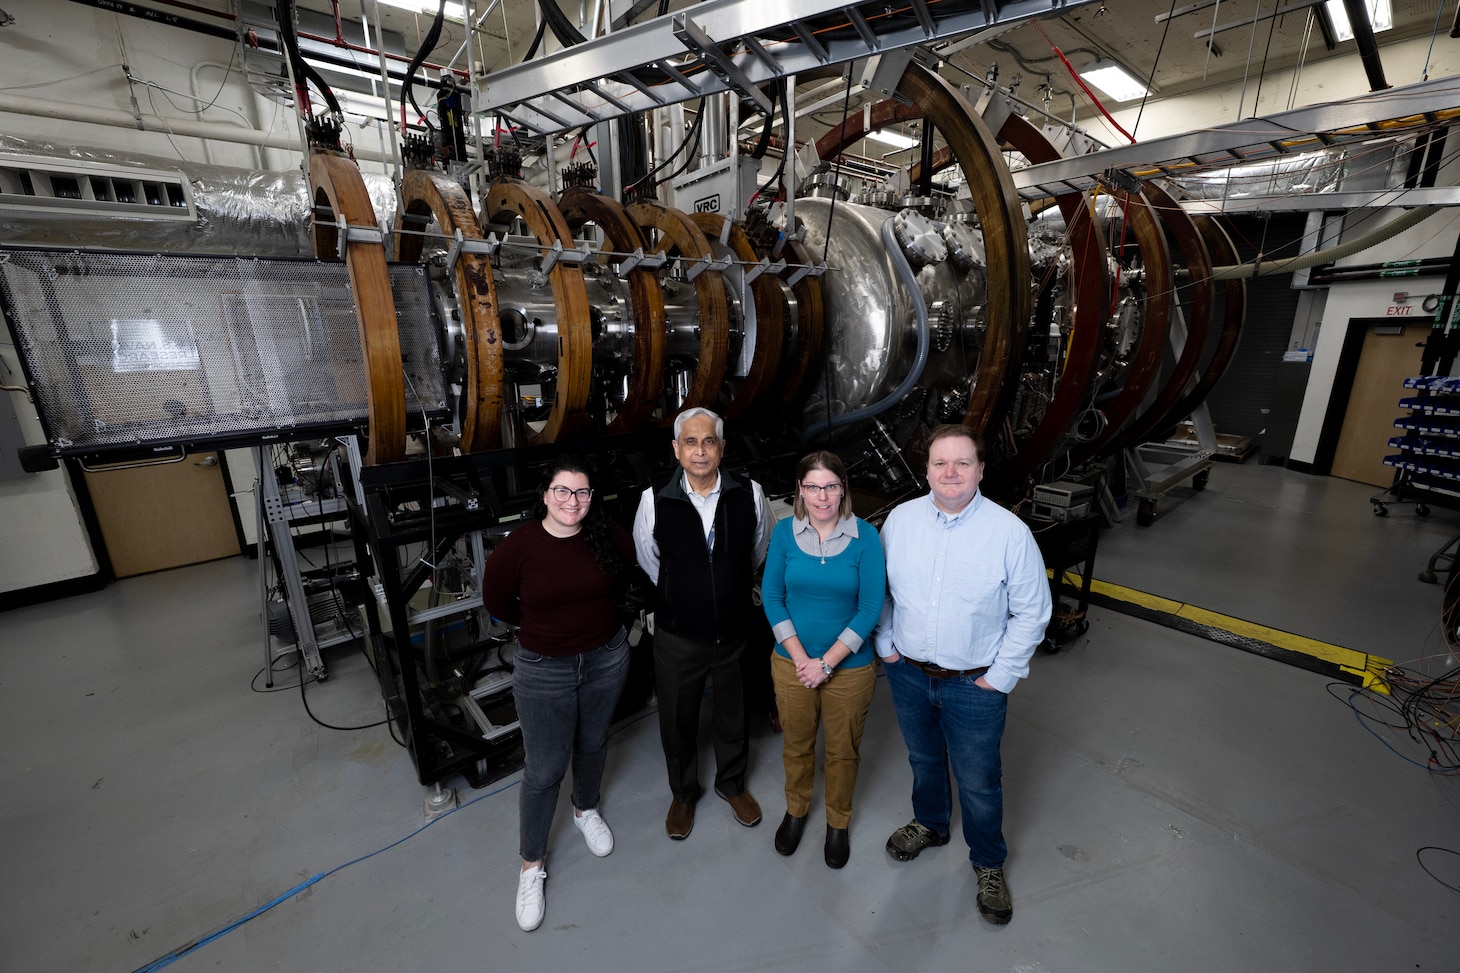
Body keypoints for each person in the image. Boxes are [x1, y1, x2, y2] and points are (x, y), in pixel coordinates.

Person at [874, 425, 1051, 925]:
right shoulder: (900, 522)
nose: (950, 473)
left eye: (962, 463)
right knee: (924, 759)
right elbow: (883, 591)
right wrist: (886, 645)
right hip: (908, 673)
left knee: (978, 780)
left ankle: (988, 862)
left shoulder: (1008, 533)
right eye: (939, 463)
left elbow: (1033, 612)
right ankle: (930, 824)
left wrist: (999, 677)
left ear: (980, 470)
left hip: (974, 684)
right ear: (926, 469)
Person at [482, 458, 637, 933]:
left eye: (583, 493)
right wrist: (545, 631)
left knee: (593, 742)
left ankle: (586, 808)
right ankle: (531, 865)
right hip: (544, 669)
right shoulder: (519, 545)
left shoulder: (606, 532)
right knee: (545, 769)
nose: (573, 502)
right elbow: (497, 603)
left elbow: (626, 577)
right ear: (546, 494)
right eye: (563, 491)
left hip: (606, 658)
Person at [632, 407, 775, 840]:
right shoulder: (653, 499)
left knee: (733, 715)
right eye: (690, 442)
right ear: (676, 450)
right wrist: (686, 594)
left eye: (708, 441)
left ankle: (732, 785)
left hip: (733, 631)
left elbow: (758, 549)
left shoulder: (750, 493)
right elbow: (649, 561)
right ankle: (683, 793)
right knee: (678, 719)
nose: (700, 451)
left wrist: (724, 589)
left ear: (722, 448)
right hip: (678, 636)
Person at [760, 450, 886, 868]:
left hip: (849, 669)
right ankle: (796, 812)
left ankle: (838, 822)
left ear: (842, 488)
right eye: (812, 486)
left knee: (842, 751)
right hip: (792, 664)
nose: (822, 496)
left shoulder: (866, 536)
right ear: (799, 489)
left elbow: (870, 608)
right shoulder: (783, 534)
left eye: (830, 485)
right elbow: (773, 599)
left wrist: (826, 663)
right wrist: (802, 659)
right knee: (796, 746)